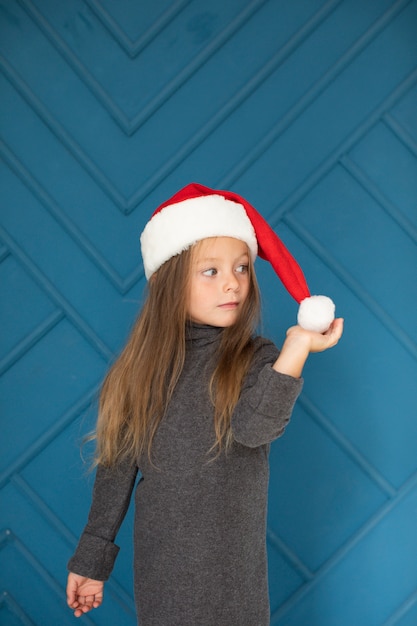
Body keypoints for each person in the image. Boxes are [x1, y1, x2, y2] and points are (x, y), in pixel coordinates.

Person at [66, 183, 343, 625]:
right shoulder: (142, 371)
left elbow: (255, 430)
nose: (232, 282)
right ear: (165, 281)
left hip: (234, 577)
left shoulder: (260, 360)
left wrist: (296, 348)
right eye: (209, 271)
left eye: (242, 268)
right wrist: (90, 562)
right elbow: (116, 470)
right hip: (163, 575)